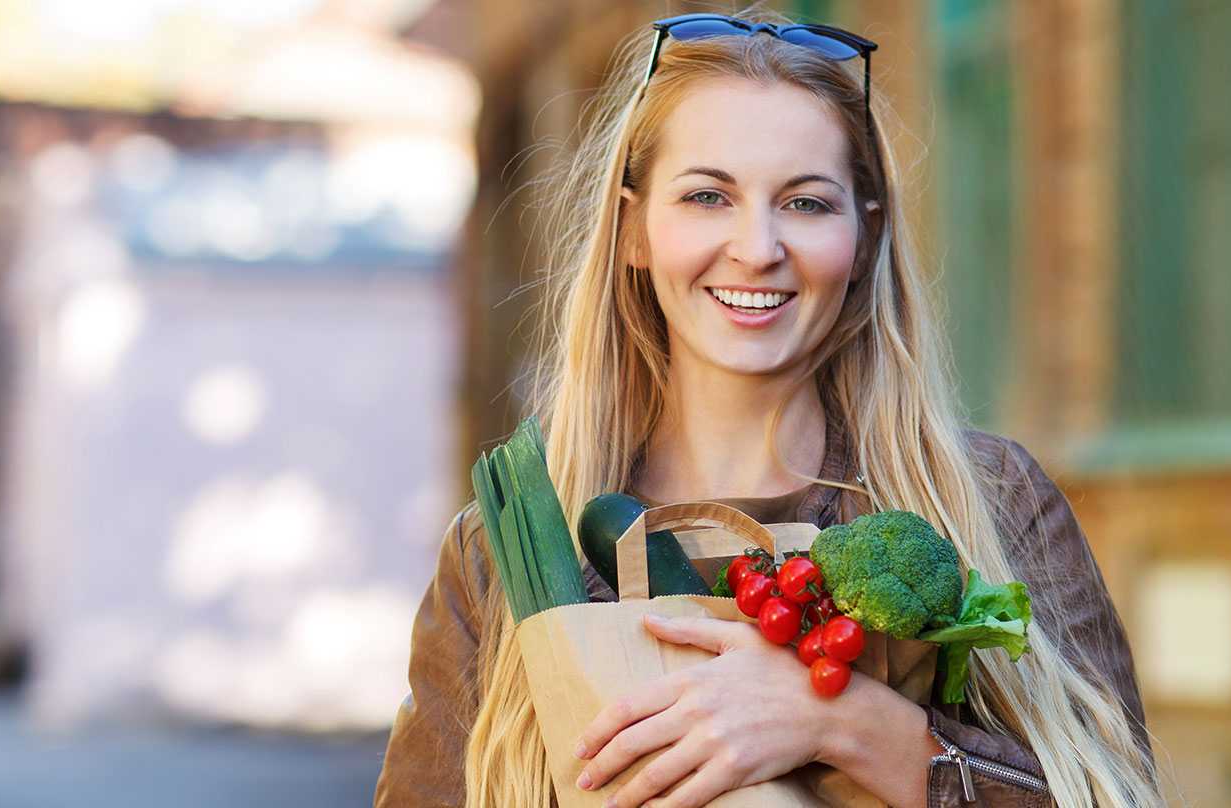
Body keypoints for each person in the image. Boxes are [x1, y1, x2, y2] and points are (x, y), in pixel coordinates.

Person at [376, 11, 1162, 808]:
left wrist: (849, 726)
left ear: (865, 235)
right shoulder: (496, 558)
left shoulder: (991, 503)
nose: (756, 247)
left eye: (807, 204)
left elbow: (1118, 793)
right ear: (633, 231)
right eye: (708, 195)